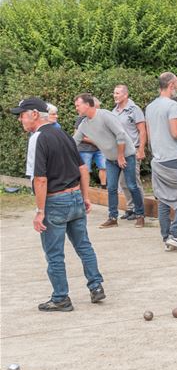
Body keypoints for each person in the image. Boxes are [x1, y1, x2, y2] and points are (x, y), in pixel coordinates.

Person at [12, 97, 105, 311]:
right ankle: (96, 286)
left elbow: (40, 179)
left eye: (22, 115)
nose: (20, 120)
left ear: (34, 114)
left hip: (55, 201)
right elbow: (83, 169)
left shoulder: (38, 138)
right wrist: (85, 196)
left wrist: (40, 211)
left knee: (54, 253)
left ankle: (61, 297)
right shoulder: (63, 134)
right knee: (84, 245)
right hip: (74, 197)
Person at [72, 93, 145, 229]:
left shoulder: (105, 115)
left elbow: (120, 134)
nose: (76, 108)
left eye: (78, 105)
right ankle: (112, 218)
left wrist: (121, 155)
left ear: (87, 105)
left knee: (131, 185)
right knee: (111, 188)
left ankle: (140, 215)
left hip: (126, 155)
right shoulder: (84, 124)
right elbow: (73, 142)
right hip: (111, 159)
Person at [146, 72, 177, 252]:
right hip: (175, 157)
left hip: (158, 159)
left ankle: (166, 236)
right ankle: (175, 234)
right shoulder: (172, 106)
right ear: (171, 85)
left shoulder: (150, 107)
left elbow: (151, 135)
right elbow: (176, 133)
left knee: (164, 199)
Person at [111, 84, 148, 221]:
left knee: (134, 181)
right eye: (114, 93)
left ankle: (140, 209)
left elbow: (142, 131)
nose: (115, 95)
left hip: (133, 150)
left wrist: (141, 149)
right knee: (123, 182)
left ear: (125, 95)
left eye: (118, 93)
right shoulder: (114, 111)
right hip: (120, 151)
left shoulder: (134, 109)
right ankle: (131, 208)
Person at [75, 98, 107, 190]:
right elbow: (78, 135)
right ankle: (86, 189)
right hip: (85, 149)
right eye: (97, 108)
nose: (98, 110)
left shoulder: (100, 118)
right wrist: (95, 141)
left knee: (104, 167)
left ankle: (104, 187)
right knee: (86, 170)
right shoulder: (81, 119)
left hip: (98, 148)